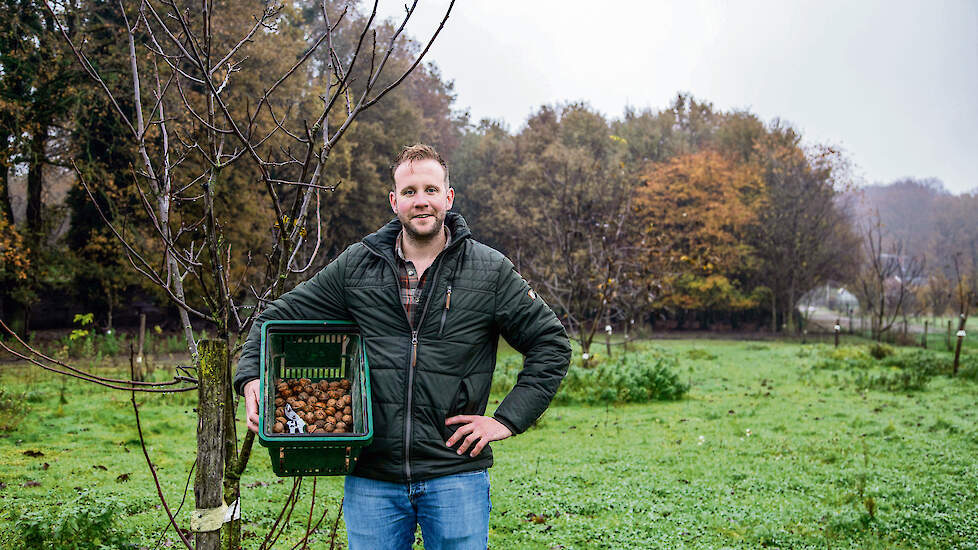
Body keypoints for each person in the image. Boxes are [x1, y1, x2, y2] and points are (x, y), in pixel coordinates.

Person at [234, 143, 571, 550]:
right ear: (394, 201)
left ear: (448, 197)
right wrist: (251, 375)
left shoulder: (490, 270)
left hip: (455, 471)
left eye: (431, 189)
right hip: (372, 477)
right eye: (410, 192)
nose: (421, 201)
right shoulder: (357, 265)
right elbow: (275, 316)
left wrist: (506, 420)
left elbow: (551, 343)